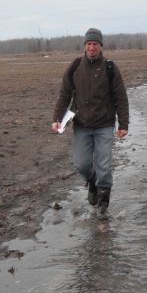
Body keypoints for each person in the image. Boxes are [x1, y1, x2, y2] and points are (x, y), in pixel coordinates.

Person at [52, 28, 129, 218]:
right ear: (85, 46)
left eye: (95, 44)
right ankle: (92, 182)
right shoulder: (76, 66)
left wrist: (123, 124)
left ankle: (103, 204)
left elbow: (120, 97)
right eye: (89, 44)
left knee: (104, 164)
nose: (92, 47)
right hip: (82, 125)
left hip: (104, 124)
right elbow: (64, 94)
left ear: (100, 46)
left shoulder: (110, 67)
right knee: (81, 164)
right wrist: (56, 119)